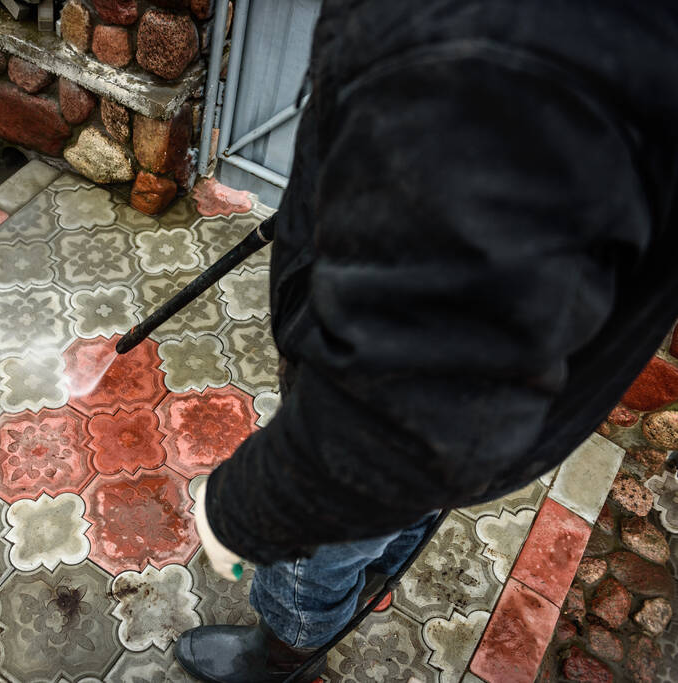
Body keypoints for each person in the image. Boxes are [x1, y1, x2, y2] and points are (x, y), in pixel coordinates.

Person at [174, 1, 678, 681]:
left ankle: (285, 654)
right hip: (475, 423)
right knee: (400, 508)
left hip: (396, 426)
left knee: (318, 544)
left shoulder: (503, 50)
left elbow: (403, 420)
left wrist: (240, 509)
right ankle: (373, 571)